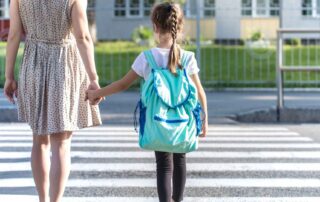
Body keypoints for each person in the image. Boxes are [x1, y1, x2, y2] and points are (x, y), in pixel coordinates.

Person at [86, 2, 208, 202]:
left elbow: (123, 84)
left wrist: (97, 93)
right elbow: (200, 91)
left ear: (155, 27)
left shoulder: (147, 58)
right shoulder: (188, 58)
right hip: (183, 121)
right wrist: (205, 118)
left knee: (163, 165)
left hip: (157, 121)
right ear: (180, 27)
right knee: (180, 160)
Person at [4, 0, 102, 201]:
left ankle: (42, 199)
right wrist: (93, 78)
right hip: (64, 64)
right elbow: (82, 37)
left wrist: (9, 76)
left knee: (39, 139)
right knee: (62, 141)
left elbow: (13, 35)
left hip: (33, 62)